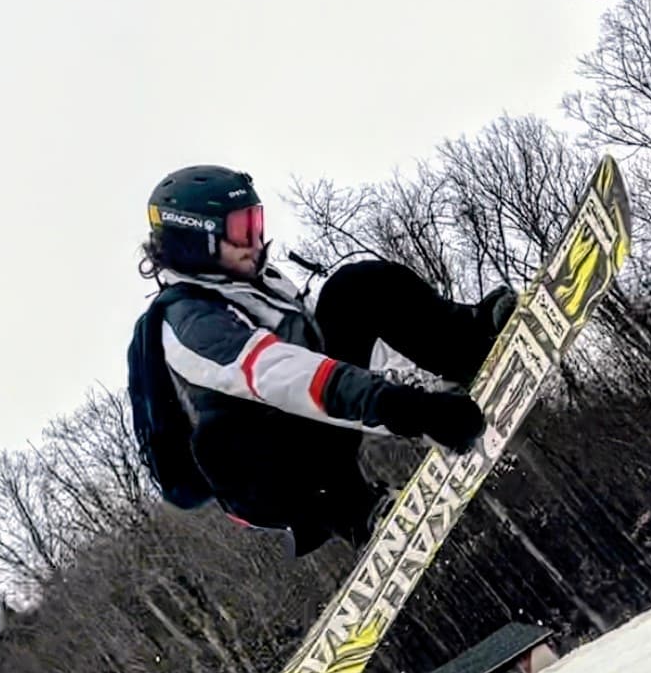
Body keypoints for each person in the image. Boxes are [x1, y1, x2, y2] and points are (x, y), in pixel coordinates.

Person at [135, 164, 515, 555]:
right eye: (240, 230)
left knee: (353, 288)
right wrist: (407, 410)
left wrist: (423, 389)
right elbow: (283, 376)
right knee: (221, 440)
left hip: (312, 423)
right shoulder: (188, 322)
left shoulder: (261, 281)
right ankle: (352, 511)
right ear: (196, 242)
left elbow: (326, 348)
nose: (255, 240)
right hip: (266, 479)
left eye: (256, 222)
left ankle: (465, 345)